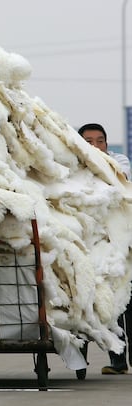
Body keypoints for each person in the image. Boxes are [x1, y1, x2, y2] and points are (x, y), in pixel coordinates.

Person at [78, 122, 132, 374]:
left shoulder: (118, 161)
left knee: (127, 304)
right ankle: (117, 361)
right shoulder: (71, 168)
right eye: (88, 142)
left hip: (121, 245)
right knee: (104, 304)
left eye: (100, 141)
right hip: (92, 247)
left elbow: (116, 179)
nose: (96, 146)